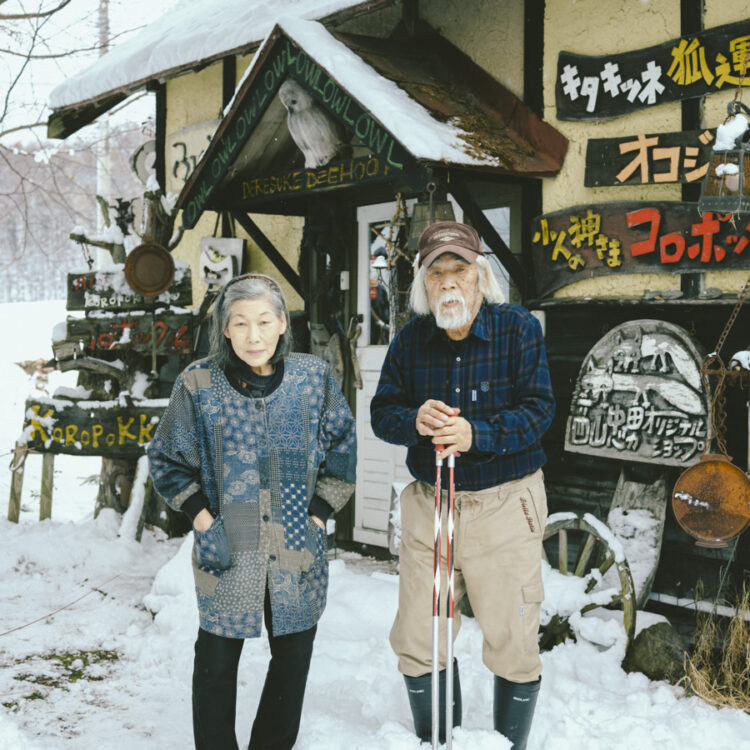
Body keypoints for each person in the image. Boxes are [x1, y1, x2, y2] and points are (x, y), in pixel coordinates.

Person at [147, 273, 356, 750]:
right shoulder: (198, 384)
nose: (253, 335)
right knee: (216, 662)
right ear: (225, 328)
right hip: (229, 545)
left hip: (296, 544)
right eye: (240, 323)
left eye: (264, 321)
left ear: (283, 323)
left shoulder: (312, 379)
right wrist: (203, 520)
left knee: (293, 657)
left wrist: (319, 515)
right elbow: (165, 457)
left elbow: (343, 444)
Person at [370, 221, 555, 749]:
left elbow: (540, 412)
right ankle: (436, 740)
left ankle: (506, 745)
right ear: (423, 284)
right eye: (437, 272)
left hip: (503, 505)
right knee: (419, 634)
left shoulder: (518, 329)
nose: (448, 282)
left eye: (460, 269)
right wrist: (415, 420)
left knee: (512, 638)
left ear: (481, 276)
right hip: (431, 508)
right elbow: (383, 413)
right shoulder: (410, 341)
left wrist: (478, 434)